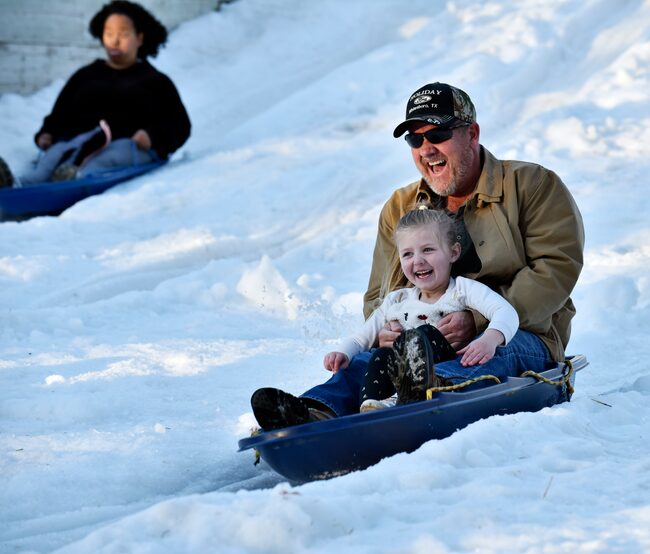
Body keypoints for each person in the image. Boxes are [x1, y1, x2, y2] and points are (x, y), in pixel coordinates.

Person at [250, 81, 584, 430]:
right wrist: (389, 330)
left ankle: (429, 390)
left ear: (472, 133)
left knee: (487, 357)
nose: (426, 148)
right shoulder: (401, 207)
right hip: (419, 340)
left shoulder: (531, 185)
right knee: (369, 362)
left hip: (515, 334)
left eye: (437, 134)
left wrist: (477, 321)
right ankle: (315, 411)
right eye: (415, 139)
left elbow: (554, 269)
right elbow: (382, 292)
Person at [252, 207, 520, 429]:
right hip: (395, 373)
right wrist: (343, 353)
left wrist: (489, 339)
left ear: (453, 253)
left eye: (428, 250)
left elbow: (505, 312)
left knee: (418, 338)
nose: (418, 261)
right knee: (375, 356)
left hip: (441, 365)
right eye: (408, 254)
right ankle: (317, 413)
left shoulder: (462, 290)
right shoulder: (398, 300)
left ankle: (408, 394)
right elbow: (363, 336)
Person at [0, 1, 190, 189]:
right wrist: (47, 133)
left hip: (128, 147)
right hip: (81, 144)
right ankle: (17, 185)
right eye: (109, 33)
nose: (114, 41)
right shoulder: (86, 76)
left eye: (123, 34)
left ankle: (74, 180)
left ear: (139, 38)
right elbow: (60, 113)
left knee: (104, 158)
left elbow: (179, 124)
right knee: (53, 156)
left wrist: (153, 136)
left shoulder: (155, 81)